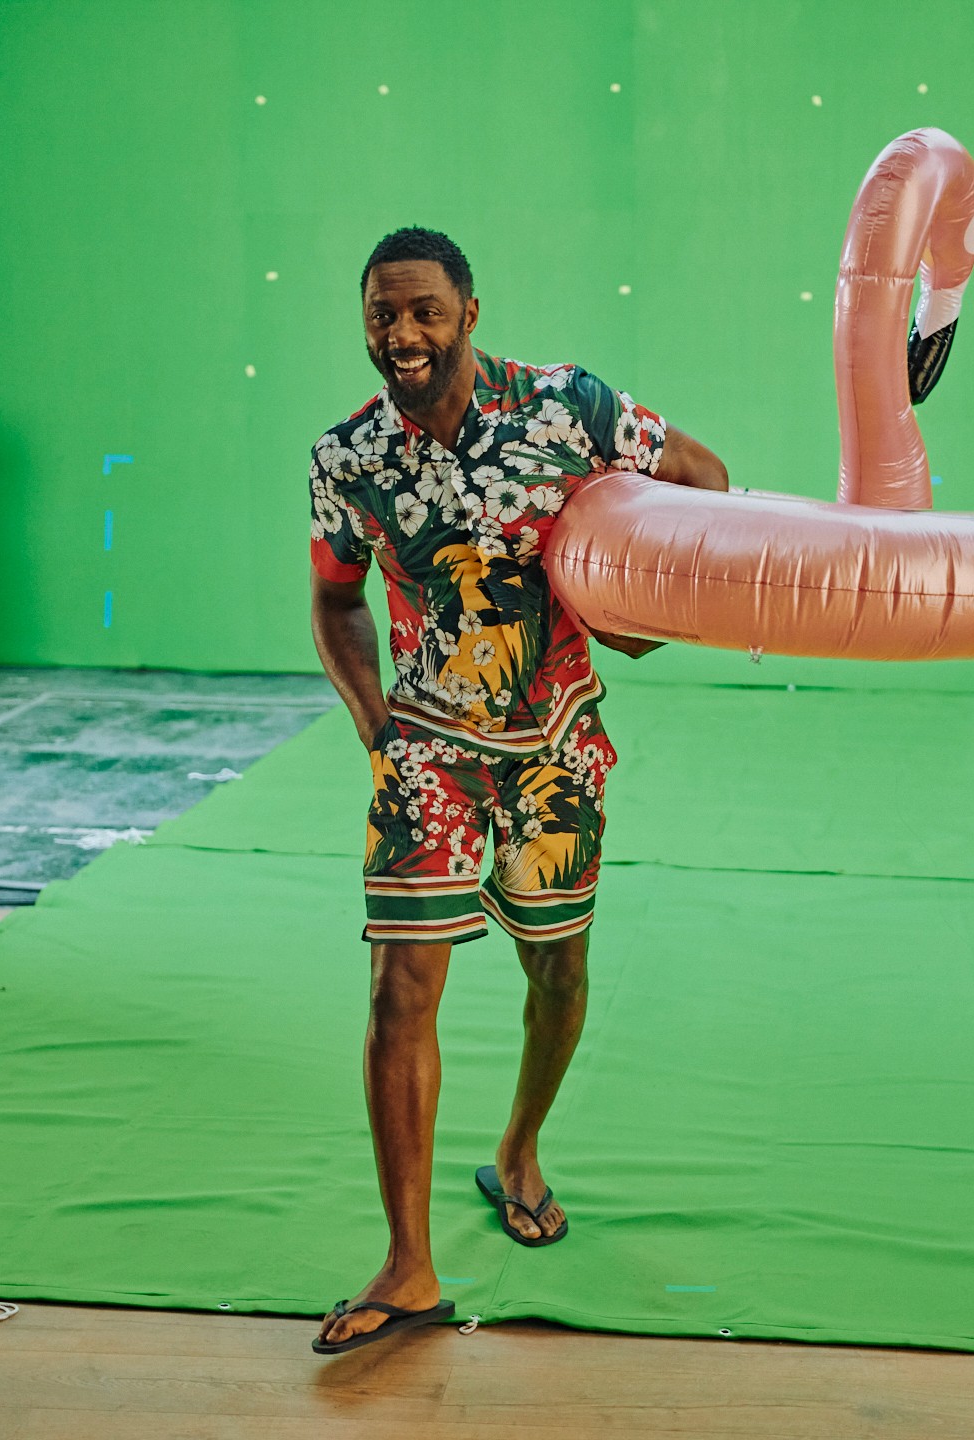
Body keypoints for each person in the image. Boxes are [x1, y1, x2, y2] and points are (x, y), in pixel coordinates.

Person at [306, 227, 729, 1352]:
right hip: (428, 752)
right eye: (383, 314)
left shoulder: (568, 408)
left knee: (559, 970)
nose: (402, 334)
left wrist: (645, 615)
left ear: (469, 314)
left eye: (424, 312)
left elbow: (705, 485)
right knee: (400, 990)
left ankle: (519, 1149)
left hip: (553, 747)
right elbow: (335, 599)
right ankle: (408, 1267)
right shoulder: (349, 455)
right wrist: (379, 729)